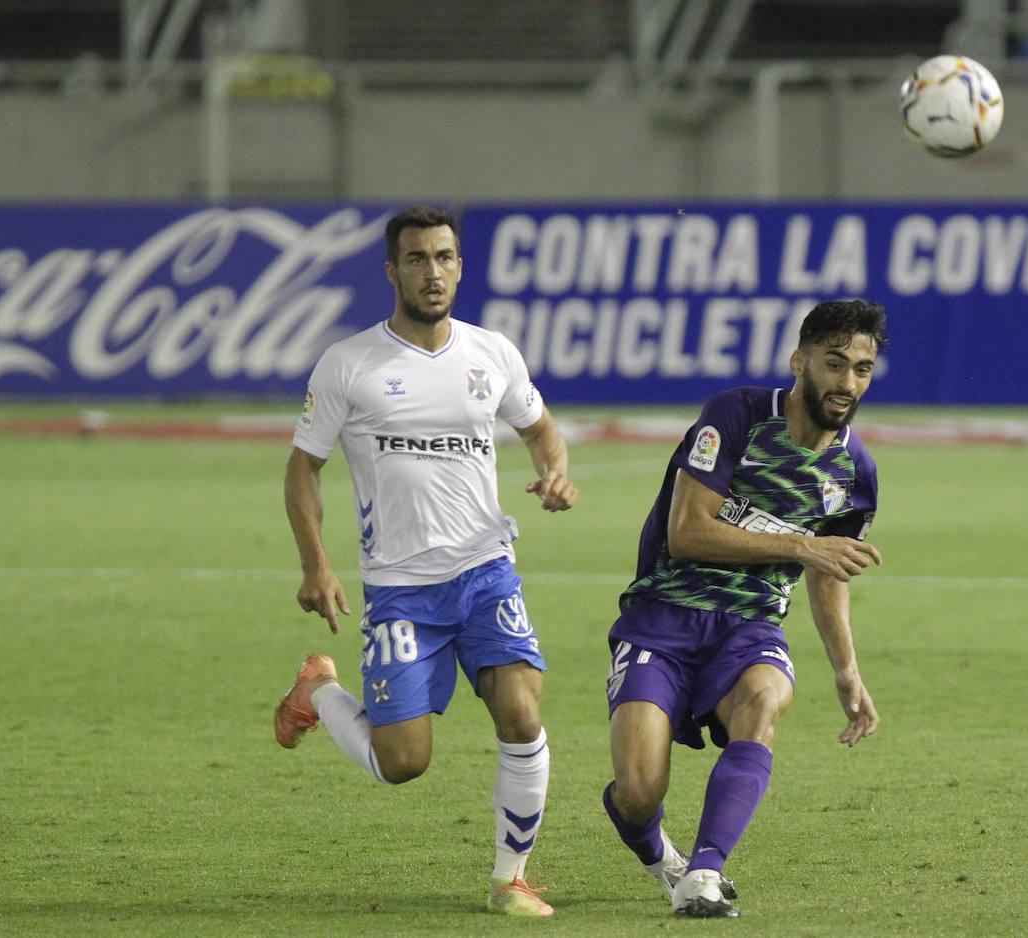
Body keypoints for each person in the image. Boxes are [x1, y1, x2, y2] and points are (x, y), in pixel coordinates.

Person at [273, 205, 578, 918]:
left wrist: (554, 472)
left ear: (459, 267)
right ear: (393, 271)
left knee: (521, 712)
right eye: (416, 259)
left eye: (443, 257)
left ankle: (511, 880)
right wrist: (316, 563)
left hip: (485, 570)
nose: (432, 272)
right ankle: (316, 688)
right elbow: (302, 470)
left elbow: (539, 428)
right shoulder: (350, 364)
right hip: (401, 589)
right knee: (402, 763)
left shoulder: (491, 353)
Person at [601, 299, 887, 918]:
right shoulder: (737, 415)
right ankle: (661, 857)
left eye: (862, 368)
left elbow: (828, 570)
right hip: (664, 616)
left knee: (763, 699)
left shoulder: (854, 471)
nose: (847, 383)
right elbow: (687, 532)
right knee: (638, 794)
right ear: (800, 362)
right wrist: (803, 544)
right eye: (835, 364)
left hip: (750, 626)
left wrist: (847, 669)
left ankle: (704, 874)